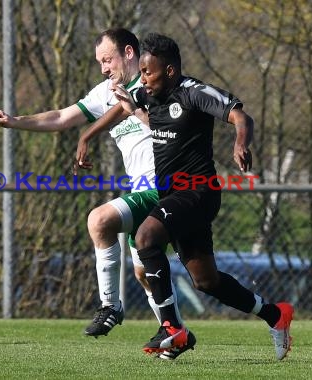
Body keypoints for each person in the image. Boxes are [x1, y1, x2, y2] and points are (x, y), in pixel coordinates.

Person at [76, 33, 294, 360]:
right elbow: (124, 108)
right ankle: (276, 315)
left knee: (146, 237)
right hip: (175, 196)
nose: (144, 79)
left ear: (170, 71)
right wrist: (87, 136)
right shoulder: (151, 94)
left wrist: (240, 143)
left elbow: (239, 115)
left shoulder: (193, 93)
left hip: (198, 191)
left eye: (148, 72)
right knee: (206, 281)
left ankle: (171, 329)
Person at [0, 28, 195, 360]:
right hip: (143, 188)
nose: (103, 69)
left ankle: (110, 305)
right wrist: (14, 120)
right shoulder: (105, 93)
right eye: (99, 62)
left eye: (107, 60)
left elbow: (178, 128)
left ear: (129, 53)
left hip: (167, 185)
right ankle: (177, 333)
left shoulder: (155, 84)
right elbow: (61, 117)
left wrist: (135, 110)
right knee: (145, 272)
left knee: (100, 220)